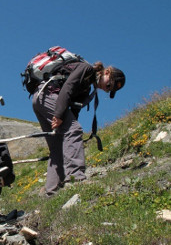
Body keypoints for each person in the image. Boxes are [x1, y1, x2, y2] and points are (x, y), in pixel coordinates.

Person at [32, 60, 125, 197]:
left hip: (40, 99)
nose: (107, 89)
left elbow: (74, 109)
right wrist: (59, 115)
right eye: (109, 85)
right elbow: (68, 87)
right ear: (107, 72)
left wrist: (65, 122)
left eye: (110, 90)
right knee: (74, 130)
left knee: (57, 146)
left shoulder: (87, 88)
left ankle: (51, 193)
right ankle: (76, 178)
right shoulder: (86, 69)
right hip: (49, 95)